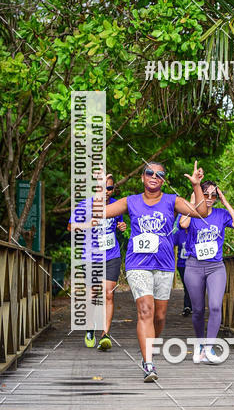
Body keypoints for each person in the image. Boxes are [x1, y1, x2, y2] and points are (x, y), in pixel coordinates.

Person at [102, 161, 207, 381]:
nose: (154, 176)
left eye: (160, 174)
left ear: (163, 180)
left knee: (159, 316)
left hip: (165, 265)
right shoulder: (130, 202)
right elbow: (99, 212)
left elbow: (202, 212)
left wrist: (197, 186)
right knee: (146, 310)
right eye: (150, 172)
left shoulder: (172, 201)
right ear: (142, 177)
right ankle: (148, 363)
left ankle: (149, 347)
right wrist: (101, 189)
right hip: (137, 264)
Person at [179, 182, 234, 363]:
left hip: (216, 267)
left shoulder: (221, 214)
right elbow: (183, 224)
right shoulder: (192, 214)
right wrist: (193, 199)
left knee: (215, 306)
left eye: (213, 195)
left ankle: (209, 347)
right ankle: (200, 343)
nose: (209, 198)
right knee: (198, 310)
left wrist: (225, 201)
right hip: (194, 266)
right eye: (205, 194)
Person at [68, 173, 126, 351]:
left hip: (111, 255)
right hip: (90, 257)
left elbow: (119, 225)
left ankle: (105, 335)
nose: (107, 191)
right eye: (103, 188)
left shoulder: (117, 205)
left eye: (110, 188)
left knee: (108, 294)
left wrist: (121, 227)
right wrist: (88, 225)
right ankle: (91, 327)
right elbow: (71, 227)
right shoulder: (85, 205)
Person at [173, 217, 192, 315]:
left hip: (194, 264)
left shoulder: (195, 232)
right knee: (187, 285)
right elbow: (171, 243)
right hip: (182, 264)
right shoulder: (179, 234)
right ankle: (187, 306)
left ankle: (191, 306)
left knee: (194, 286)